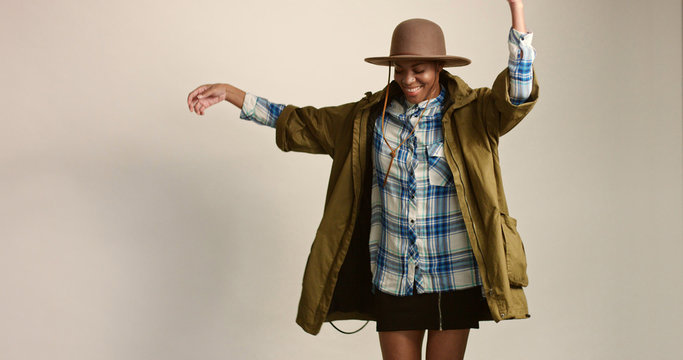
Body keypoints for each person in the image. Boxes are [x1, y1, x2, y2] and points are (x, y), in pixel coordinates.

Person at [187, 1, 538, 359]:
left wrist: (517, 12)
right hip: (395, 273)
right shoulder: (367, 118)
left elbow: (517, 96)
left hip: (454, 271)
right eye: (400, 70)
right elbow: (302, 122)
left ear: (439, 67)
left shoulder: (473, 113)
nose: (408, 79)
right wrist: (232, 94)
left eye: (418, 70)